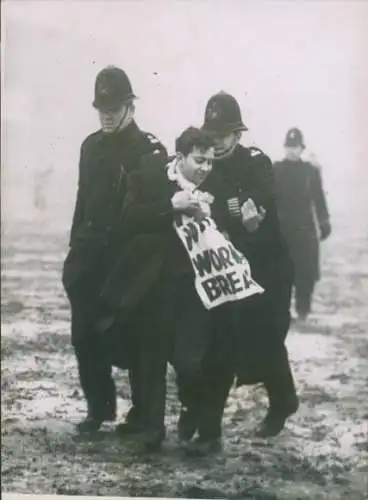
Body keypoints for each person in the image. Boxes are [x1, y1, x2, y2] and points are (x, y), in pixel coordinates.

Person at [101, 126, 260, 452]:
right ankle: (152, 429)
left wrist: (238, 224)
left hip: (196, 292)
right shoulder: (146, 178)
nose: (205, 169)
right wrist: (169, 205)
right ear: (180, 156)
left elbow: (232, 230)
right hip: (153, 286)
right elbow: (128, 218)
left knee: (189, 361)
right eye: (199, 161)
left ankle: (192, 408)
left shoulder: (219, 187)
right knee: (151, 358)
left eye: (210, 162)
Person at [62, 66, 167, 434]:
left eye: (114, 107)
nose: (107, 114)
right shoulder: (90, 147)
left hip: (128, 263)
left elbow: (152, 213)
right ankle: (99, 409)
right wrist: (75, 250)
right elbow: (82, 201)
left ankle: (142, 415)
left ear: (130, 107)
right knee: (84, 336)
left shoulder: (150, 149)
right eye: (101, 107)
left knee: (137, 338)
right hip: (90, 261)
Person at [198, 91, 299, 438]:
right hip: (228, 271)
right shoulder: (203, 167)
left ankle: (283, 401)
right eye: (210, 137)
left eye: (222, 136)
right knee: (220, 342)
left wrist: (240, 215)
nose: (216, 143)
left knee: (267, 339)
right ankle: (209, 430)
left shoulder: (257, 163)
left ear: (238, 135)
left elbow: (259, 202)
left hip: (268, 269)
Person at [273, 128, 331, 320]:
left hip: (305, 231)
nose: (292, 151)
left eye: (295, 147)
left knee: (306, 274)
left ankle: (303, 310)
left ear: (301, 148)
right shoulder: (276, 170)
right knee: (282, 272)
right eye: (289, 147)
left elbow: (319, 198)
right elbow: (269, 199)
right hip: (283, 229)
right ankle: (282, 310)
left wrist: (324, 222)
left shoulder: (310, 172)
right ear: (284, 148)